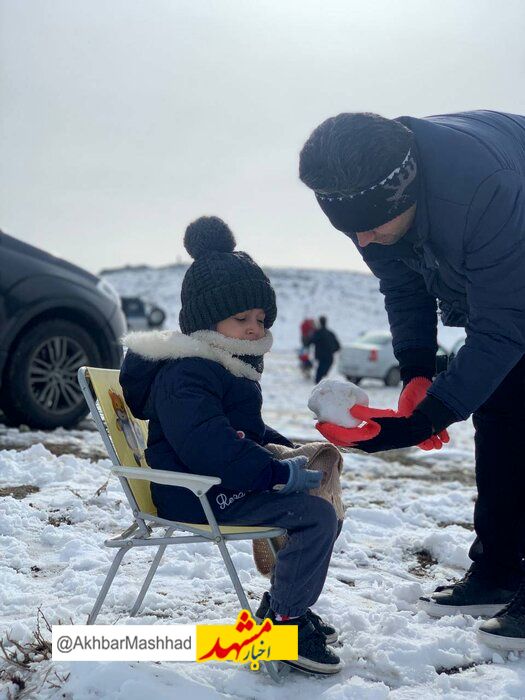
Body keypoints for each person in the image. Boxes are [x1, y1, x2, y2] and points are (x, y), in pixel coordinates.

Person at [299, 110, 525, 648]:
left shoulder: (483, 189)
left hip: (512, 264)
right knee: (501, 416)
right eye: (350, 229)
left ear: (408, 190)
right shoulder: (364, 194)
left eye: (372, 225)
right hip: (503, 287)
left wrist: (418, 422)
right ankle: (499, 569)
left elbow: (503, 327)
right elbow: (403, 285)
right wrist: (419, 368)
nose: (363, 238)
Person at [119, 216, 342, 674]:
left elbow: (249, 435)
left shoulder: (227, 368)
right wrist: (277, 473)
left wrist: (294, 451)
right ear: (206, 320)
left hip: (221, 483)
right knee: (314, 516)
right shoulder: (187, 373)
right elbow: (207, 444)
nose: (254, 328)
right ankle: (284, 622)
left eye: (260, 319)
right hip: (194, 491)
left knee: (322, 500)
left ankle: (285, 602)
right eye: (241, 318)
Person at [309, 316, 341, 383]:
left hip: (321, 357)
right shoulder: (330, 333)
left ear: (320, 322)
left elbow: (310, 342)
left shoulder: (318, 333)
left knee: (319, 376)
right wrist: (331, 350)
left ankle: (319, 386)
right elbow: (338, 346)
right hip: (329, 357)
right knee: (322, 375)